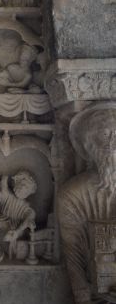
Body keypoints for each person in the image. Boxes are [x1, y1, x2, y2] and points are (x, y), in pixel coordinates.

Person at [58, 102, 116, 304]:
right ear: (90, 143)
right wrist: (82, 297)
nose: (113, 143)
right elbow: (72, 252)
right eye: (106, 134)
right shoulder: (72, 195)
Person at [0, 172, 37, 259]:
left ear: (29, 192)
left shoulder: (27, 208)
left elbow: (28, 219)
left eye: (25, 188)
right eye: (20, 186)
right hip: (3, 218)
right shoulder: (10, 196)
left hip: (16, 226)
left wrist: (17, 231)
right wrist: (4, 179)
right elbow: (4, 190)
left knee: (11, 236)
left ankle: (6, 249)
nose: (21, 189)